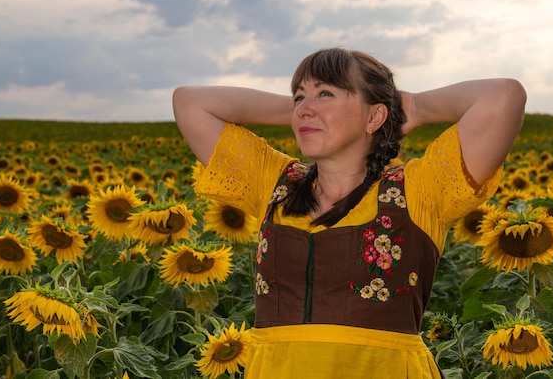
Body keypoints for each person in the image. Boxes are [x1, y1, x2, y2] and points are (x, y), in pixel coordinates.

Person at [172, 47, 526, 378]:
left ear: (375, 115)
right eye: (299, 96)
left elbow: (503, 96)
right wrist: (305, 111)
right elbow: (190, 102)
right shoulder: (272, 183)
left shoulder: (420, 189)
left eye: (327, 93)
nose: (304, 108)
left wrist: (413, 107)